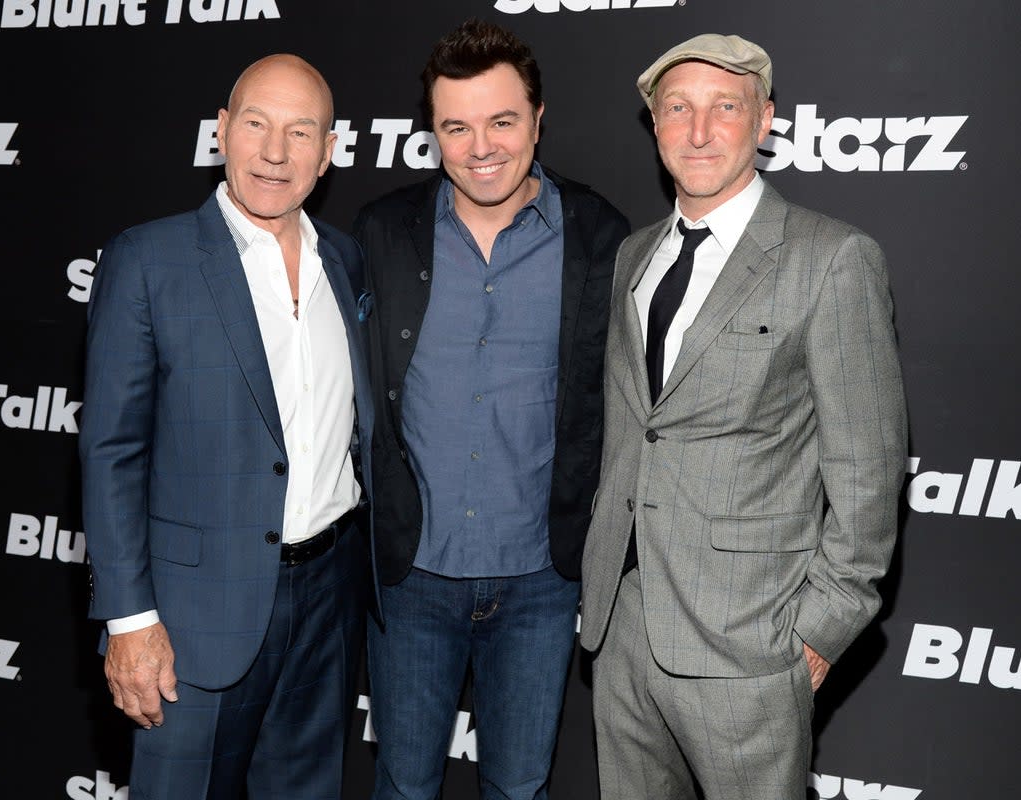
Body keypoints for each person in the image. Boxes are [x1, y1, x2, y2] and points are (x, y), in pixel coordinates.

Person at [579, 33, 908, 800]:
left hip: (751, 642)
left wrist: (818, 633)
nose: (699, 131)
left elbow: (868, 467)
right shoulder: (636, 255)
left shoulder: (832, 259)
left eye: (724, 108)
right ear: (654, 125)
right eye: (677, 109)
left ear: (764, 121)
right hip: (622, 623)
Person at [78, 54, 373, 800]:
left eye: (300, 132)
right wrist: (130, 619)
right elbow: (112, 450)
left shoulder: (346, 259)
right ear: (221, 132)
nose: (276, 153)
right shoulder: (147, 259)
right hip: (193, 619)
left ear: (329, 150)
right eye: (257, 125)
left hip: (329, 603)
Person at [354, 19, 629, 800]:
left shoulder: (600, 237)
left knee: (519, 789)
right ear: (433, 132)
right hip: (411, 580)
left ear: (538, 120)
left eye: (502, 121)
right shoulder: (382, 231)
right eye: (457, 126)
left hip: (542, 583)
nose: (481, 146)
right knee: (403, 789)